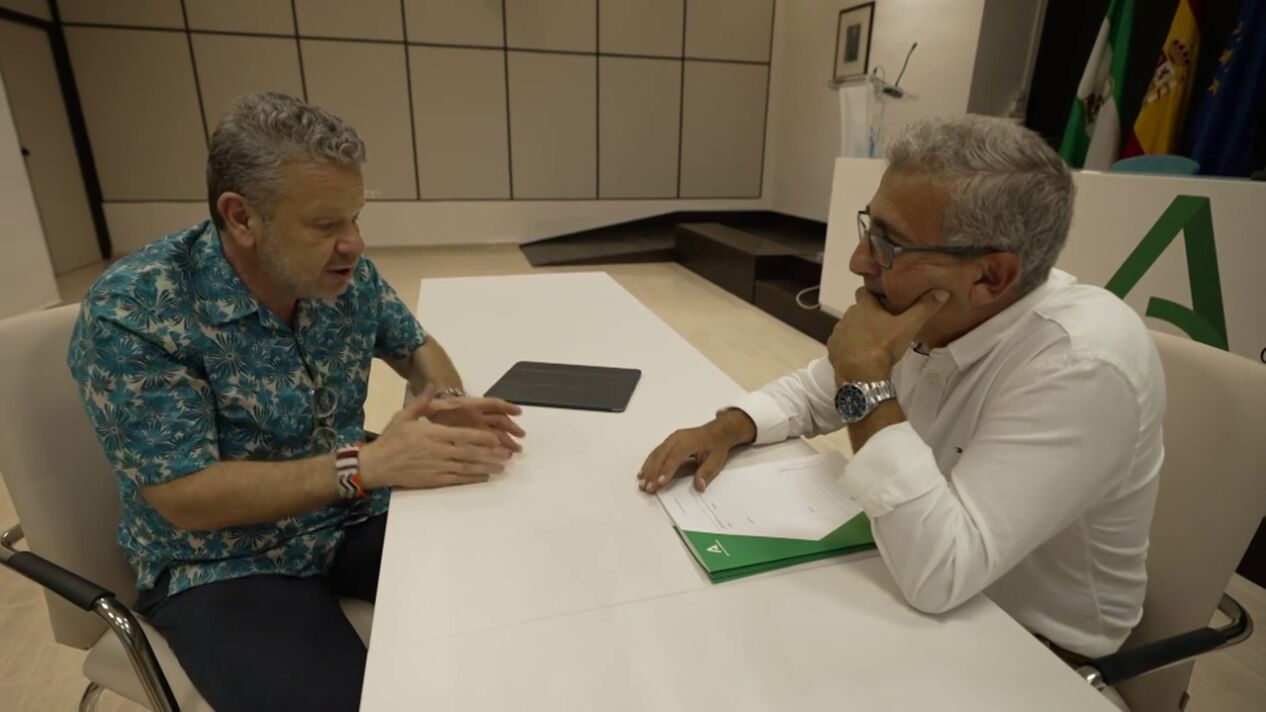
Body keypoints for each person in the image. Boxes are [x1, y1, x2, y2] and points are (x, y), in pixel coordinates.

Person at [637, 115, 1164, 667]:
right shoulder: (943, 307)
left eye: (889, 245)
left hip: (1037, 651)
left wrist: (866, 376)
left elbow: (940, 574)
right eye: (870, 228)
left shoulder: (1082, 364)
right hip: (914, 574)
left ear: (991, 277)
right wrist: (728, 427)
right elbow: (816, 392)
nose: (858, 261)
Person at [68, 92, 524, 710]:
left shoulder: (341, 276)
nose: (354, 244)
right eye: (326, 225)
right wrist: (364, 466)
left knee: (518, 598)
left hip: (350, 515)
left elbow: (414, 345)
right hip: (224, 560)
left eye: (355, 218)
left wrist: (445, 401)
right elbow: (184, 496)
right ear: (241, 218)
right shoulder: (138, 310)